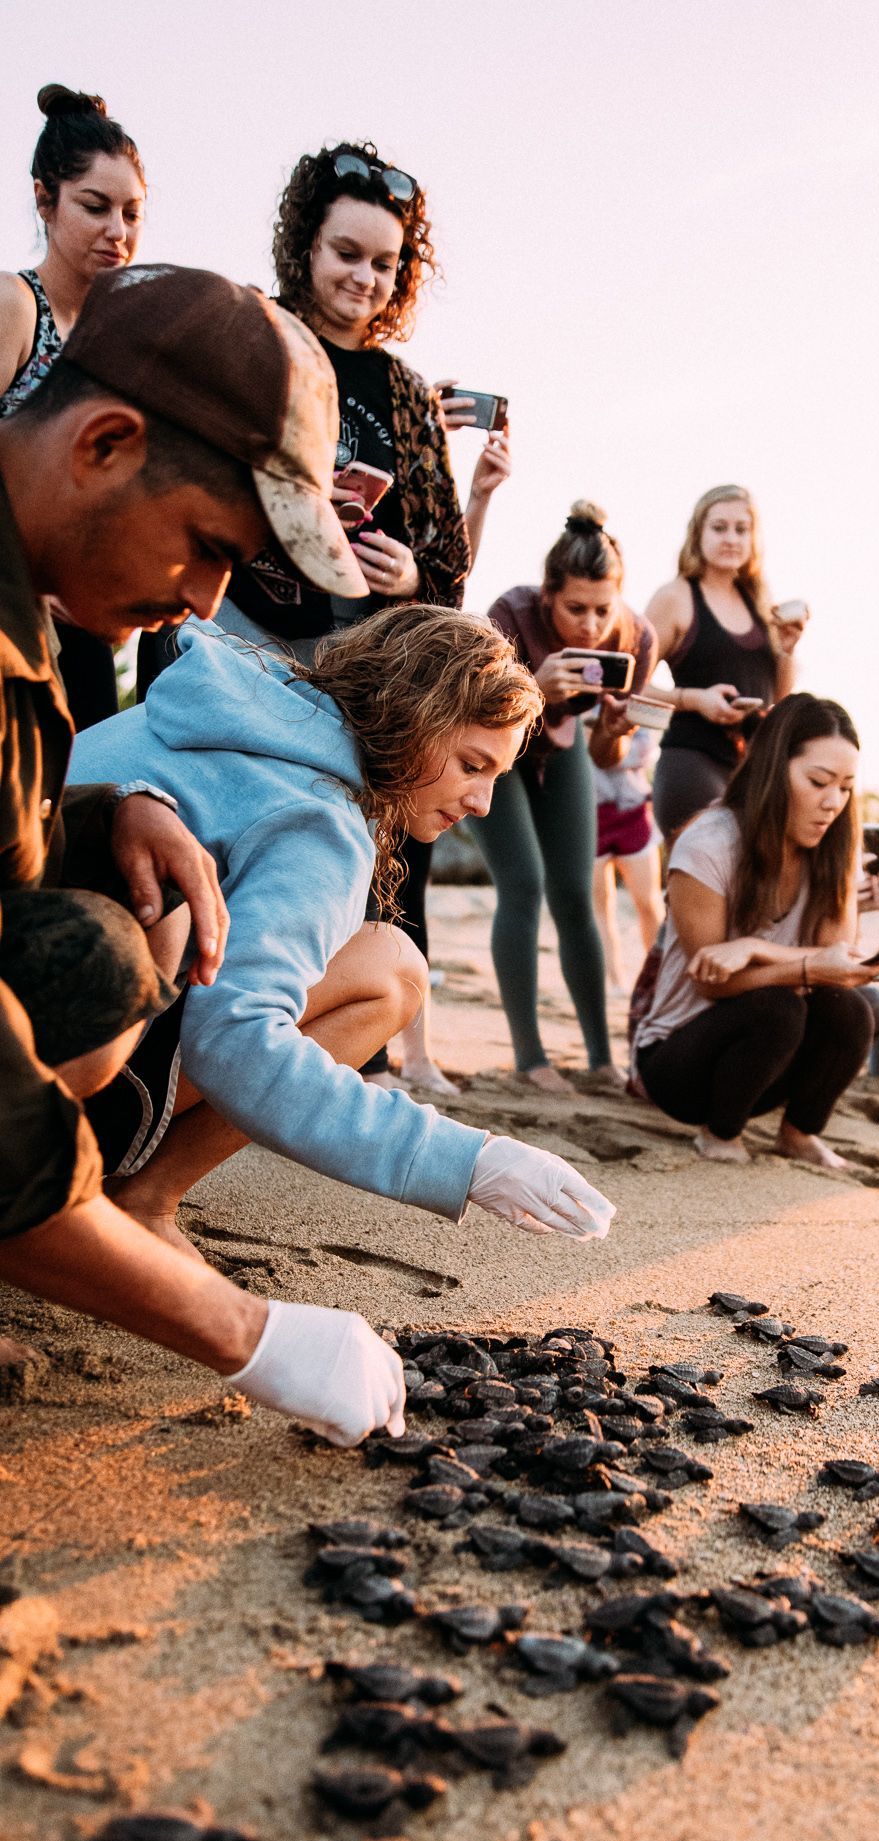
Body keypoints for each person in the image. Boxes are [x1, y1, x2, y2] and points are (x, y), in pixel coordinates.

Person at [0, 260, 416, 1444]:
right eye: (206, 545)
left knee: (92, 961)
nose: (200, 603)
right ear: (105, 445)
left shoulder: (29, 595)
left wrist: (110, 805)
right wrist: (248, 1333)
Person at [72, 599, 613, 1252]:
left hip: (38, 1003)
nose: (482, 802)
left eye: (497, 775)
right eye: (472, 765)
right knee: (391, 970)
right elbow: (235, 1041)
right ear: (414, 718)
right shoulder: (318, 818)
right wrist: (467, 1160)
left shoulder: (230, 701)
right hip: (60, 1105)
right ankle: (142, 1201)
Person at [151, 139, 512, 1096]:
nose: (362, 277)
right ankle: (171, 1023)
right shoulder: (254, 337)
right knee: (206, 822)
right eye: (346, 253)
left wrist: (405, 575)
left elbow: (447, 564)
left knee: (383, 834)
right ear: (306, 248)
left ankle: (367, 1043)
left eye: (383, 263)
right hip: (229, 627)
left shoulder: (401, 390)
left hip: (353, 654)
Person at [631, 693, 879, 1167]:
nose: (833, 802)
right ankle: (720, 1134)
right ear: (775, 769)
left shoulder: (837, 848)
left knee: (853, 1008)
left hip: (767, 1062)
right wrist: (810, 966)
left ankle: (799, 1133)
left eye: (846, 787)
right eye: (818, 782)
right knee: (777, 1008)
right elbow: (713, 982)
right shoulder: (708, 844)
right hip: (680, 1061)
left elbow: (838, 962)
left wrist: (755, 947)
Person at [479, 503, 655, 1092]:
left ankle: (602, 1057)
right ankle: (531, 1060)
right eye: (575, 608)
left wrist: (614, 728)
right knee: (523, 883)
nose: (589, 625)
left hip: (564, 745)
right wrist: (532, 687)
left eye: (603, 610)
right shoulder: (510, 612)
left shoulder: (636, 638)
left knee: (577, 892)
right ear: (548, 595)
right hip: (493, 744)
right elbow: (475, 712)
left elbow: (608, 758)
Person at [0, 84, 147, 731]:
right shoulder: (15, 305)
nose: (118, 232)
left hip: (83, 634)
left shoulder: (121, 353)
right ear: (44, 199)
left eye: (132, 213)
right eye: (96, 206)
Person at [645, 484, 805, 845]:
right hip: (692, 759)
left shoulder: (761, 601)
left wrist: (788, 651)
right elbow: (629, 681)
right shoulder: (675, 596)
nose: (731, 538)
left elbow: (777, 694)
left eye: (741, 529)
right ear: (697, 533)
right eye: (719, 528)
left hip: (755, 766)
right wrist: (693, 699)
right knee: (704, 885)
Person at [591, 723, 664, 995]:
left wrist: (598, 743)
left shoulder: (633, 698)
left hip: (633, 811)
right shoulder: (579, 700)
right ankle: (615, 982)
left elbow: (646, 751)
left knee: (649, 902)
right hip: (590, 814)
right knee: (600, 907)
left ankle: (657, 979)